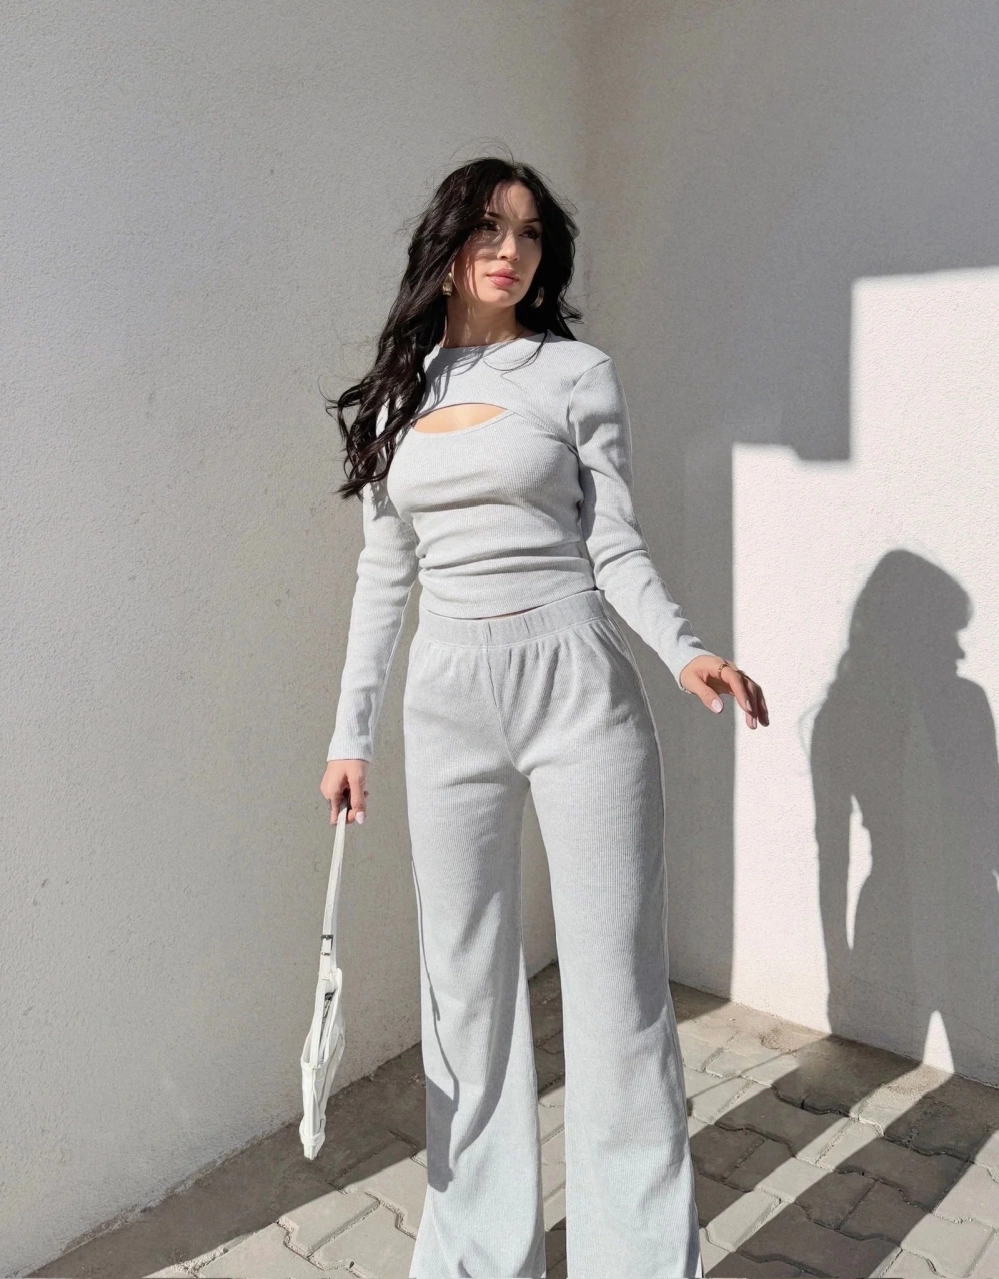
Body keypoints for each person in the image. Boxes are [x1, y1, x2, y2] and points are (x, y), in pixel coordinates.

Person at [320, 156, 769, 1279]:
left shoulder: (574, 373)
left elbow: (613, 543)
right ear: (447, 245)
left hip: (577, 684)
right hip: (447, 700)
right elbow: (384, 576)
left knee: (617, 997)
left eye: (528, 233)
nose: (509, 250)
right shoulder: (399, 395)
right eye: (488, 227)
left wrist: (684, 649)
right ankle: (476, 1255)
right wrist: (349, 735)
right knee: (464, 995)